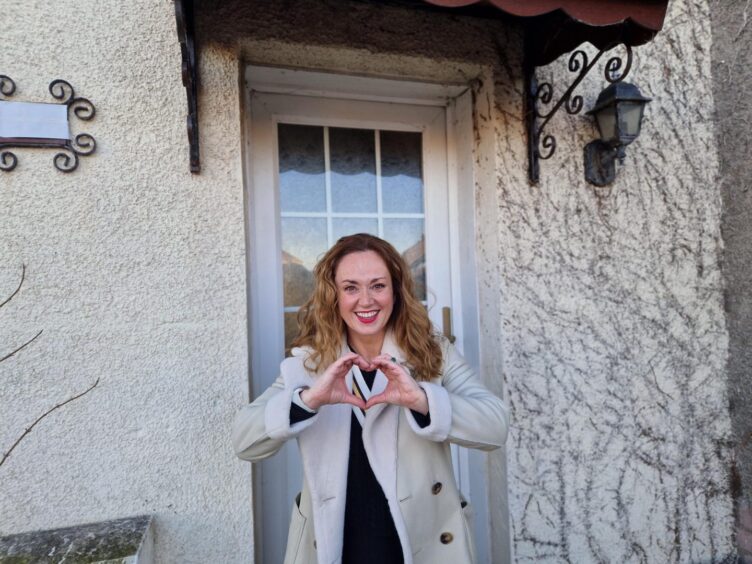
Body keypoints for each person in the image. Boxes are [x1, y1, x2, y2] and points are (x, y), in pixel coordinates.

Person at [232, 233, 507, 564]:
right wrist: (307, 401)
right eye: (351, 287)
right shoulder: (308, 363)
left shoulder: (433, 354)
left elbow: (495, 426)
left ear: (396, 291)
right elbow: (243, 442)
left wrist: (422, 400)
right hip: (336, 545)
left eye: (378, 285)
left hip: (420, 546)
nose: (366, 300)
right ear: (333, 295)